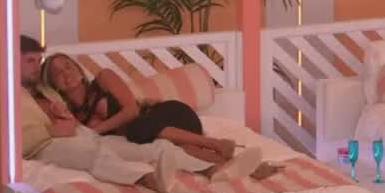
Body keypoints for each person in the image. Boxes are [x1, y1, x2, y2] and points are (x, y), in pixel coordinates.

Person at [0, 36, 259, 193]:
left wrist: (67, 123)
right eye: (30, 61)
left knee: (153, 147)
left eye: (39, 61)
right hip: (49, 146)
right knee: (94, 154)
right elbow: (0, 142)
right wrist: (53, 131)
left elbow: (77, 124)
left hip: (132, 124)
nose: (37, 68)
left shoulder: (49, 93)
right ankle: (149, 179)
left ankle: (212, 169)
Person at [42, 52, 259, 170]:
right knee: (179, 151)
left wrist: (97, 131)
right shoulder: (73, 115)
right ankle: (245, 166)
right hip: (154, 135)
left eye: (68, 65)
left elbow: (132, 111)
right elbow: (53, 133)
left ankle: (217, 144)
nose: (66, 73)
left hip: (171, 114)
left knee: (137, 127)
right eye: (58, 73)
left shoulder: (104, 78)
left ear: (78, 69)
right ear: (54, 85)